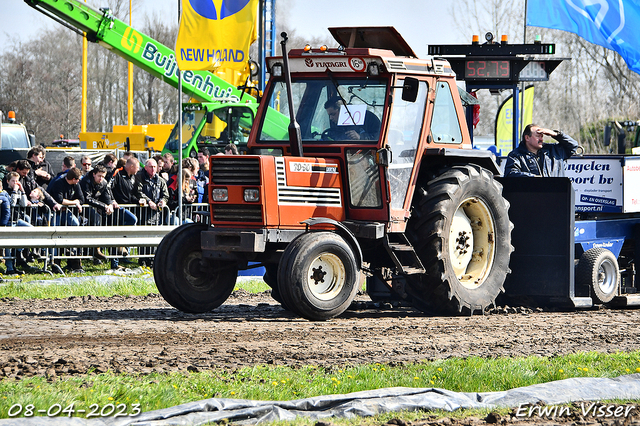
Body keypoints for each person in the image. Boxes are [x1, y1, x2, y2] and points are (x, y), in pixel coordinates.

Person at [47, 167, 85, 272]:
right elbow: (59, 200)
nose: (79, 181)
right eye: (78, 179)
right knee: (55, 233)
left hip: (67, 212)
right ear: (73, 179)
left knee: (75, 223)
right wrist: (74, 202)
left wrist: (77, 202)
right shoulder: (58, 183)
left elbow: (82, 199)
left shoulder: (76, 185)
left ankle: (73, 258)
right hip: (55, 212)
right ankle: (55, 261)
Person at [504, 124, 579, 177]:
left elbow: (573, 146)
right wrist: (534, 178)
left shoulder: (554, 151)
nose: (541, 139)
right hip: (530, 197)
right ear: (527, 138)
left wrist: (555, 134)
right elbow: (511, 174)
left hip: (557, 196)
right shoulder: (515, 155)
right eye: (537, 136)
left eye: (542, 136)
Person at [135, 158, 169, 226]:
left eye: (154, 167)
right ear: (146, 168)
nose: (153, 169)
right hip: (142, 215)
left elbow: (166, 195)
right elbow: (138, 192)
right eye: (150, 167)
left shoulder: (161, 180)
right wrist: (149, 201)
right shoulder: (139, 177)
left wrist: (163, 201)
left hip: (157, 215)